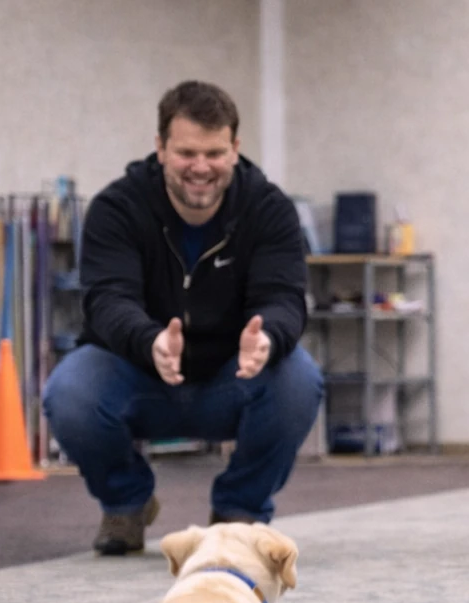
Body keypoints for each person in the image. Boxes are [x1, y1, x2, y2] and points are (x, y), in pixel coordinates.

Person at [43, 80, 322, 555]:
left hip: (231, 377)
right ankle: (126, 503)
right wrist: (148, 339)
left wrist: (269, 338)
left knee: (300, 378)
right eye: (186, 152)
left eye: (214, 153)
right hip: (138, 370)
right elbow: (107, 298)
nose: (200, 168)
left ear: (235, 148)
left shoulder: (269, 209)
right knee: (68, 389)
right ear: (160, 147)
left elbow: (285, 297)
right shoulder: (118, 207)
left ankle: (239, 511)